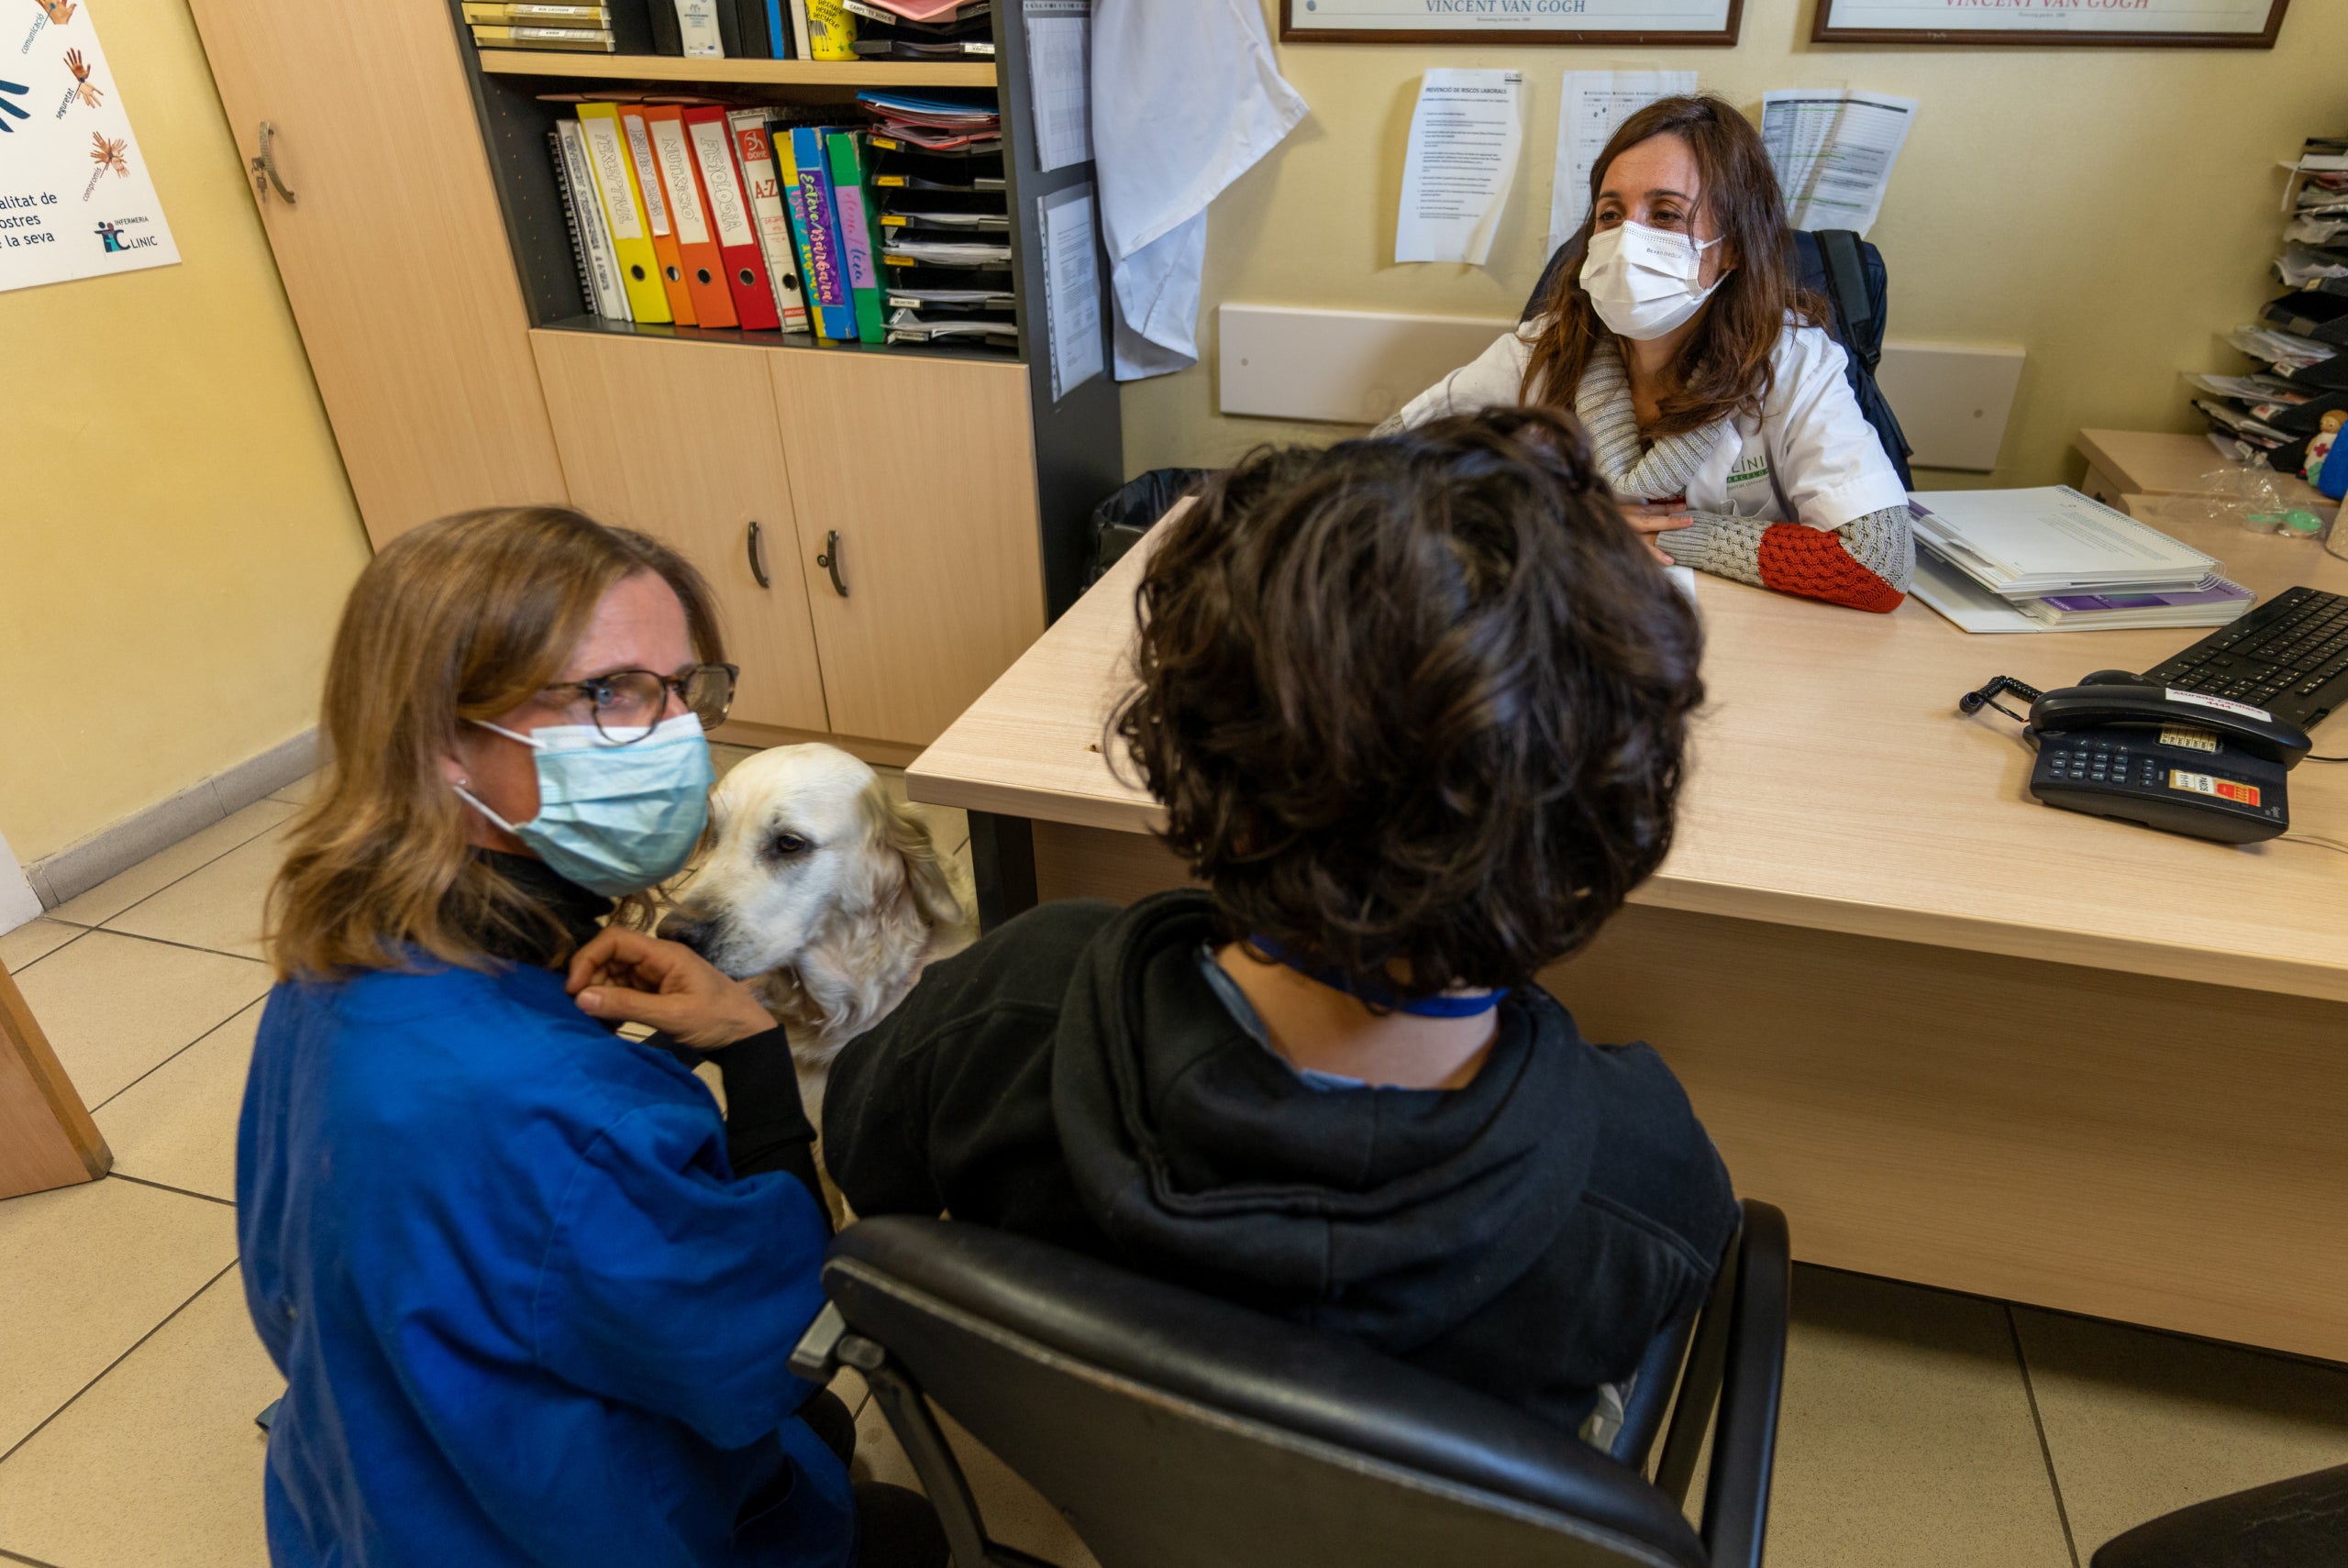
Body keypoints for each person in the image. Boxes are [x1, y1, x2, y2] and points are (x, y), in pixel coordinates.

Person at [820, 409, 1742, 1442]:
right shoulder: (1642, 1183)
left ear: (1202, 763)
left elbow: (865, 1153)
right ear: (1600, 830)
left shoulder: (1007, 1007)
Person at [240, 507, 941, 1568]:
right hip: (567, 1532)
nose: (671, 734)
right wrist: (754, 1060)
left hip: (362, 1498)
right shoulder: (572, 1115)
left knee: (820, 1445)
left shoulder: (329, 966)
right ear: (442, 738)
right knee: (888, 1507)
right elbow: (788, 1341)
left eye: (681, 689)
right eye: (611, 694)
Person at [1389, 94, 1914, 613]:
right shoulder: (1543, 348)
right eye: (1610, 214)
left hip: (1753, 638)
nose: (1626, 239)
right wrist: (1563, 522)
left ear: (1732, 246)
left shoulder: (1795, 360)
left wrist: (1679, 538)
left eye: (1665, 214)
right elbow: (1379, 467)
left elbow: (1877, 565)